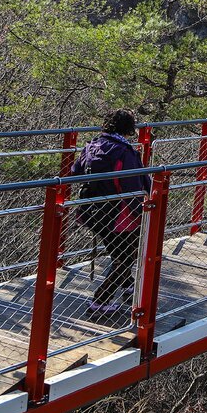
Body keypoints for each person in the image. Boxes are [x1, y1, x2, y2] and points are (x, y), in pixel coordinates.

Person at [71, 108, 150, 317]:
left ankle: (128, 286)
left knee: (118, 252)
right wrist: (144, 210)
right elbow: (135, 185)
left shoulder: (91, 147)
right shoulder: (125, 152)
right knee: (126, 256)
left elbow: (75, 173)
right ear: (129, 128)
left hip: (93, 212)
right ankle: (100, 301)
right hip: (121, 215)